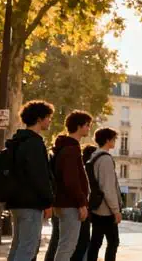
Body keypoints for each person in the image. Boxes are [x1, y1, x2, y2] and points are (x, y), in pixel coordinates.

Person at [6, 100, 56, 261]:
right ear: (39, 119)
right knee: (28, 248)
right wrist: (48, 202)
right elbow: (39, 176)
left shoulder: (17, 142)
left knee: (18, 246)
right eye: (48, 117)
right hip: (31, 203)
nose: (50, 121)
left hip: (16, 201)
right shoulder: (35, 143)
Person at [52, 111, 93, 261]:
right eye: (87, 125)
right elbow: (71, 180)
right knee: (67, 246)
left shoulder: (66, 147)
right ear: (79, 126)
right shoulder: (71, 149)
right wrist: (81, 203)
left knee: (65, 245)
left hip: (65, 203)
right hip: (70, 205)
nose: (89, 128)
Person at [88, 128, 123, 261]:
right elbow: (108, 187)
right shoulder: (106, 159)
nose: (115, 141)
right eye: (114, 139)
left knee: (95, 243)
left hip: (96, 208)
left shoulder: (94, 156)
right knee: (113, 242)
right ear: (107, 140)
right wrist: (116, 210)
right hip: (106, 210)